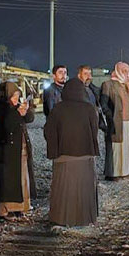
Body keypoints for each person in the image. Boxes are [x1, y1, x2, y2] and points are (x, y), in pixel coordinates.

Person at [44, 78, 100, 227]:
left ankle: (61, 218)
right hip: (85, 155)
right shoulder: (89, 109)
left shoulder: (58, 109)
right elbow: (94, 131)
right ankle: (84, 218)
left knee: (63, 190)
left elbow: (49, 131)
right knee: (84, 189)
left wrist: (54, 148)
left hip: (63, 156)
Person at [0, 81, 37, 220]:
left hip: (20, 148)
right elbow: (5, 127)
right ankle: (7, 209)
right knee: (9, 180)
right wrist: (17, 113)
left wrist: (27, 110)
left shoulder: (16, 106)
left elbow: (29, 119)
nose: (16, 99)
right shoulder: (0, 108)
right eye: (14, 96)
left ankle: (22, 207)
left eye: (18, 96)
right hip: (7, 150)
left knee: (23, 178)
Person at [100, 61, 129, 180]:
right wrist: (110, 117)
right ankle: (113, 173)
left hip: (128, 121)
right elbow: (104, 104)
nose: (126, 73)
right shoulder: (108, 84)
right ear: (117, 70)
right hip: (115, 121)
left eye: (127, 71)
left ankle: (126, 171)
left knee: (126, 147)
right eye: (123, 70)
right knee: (115, 148)